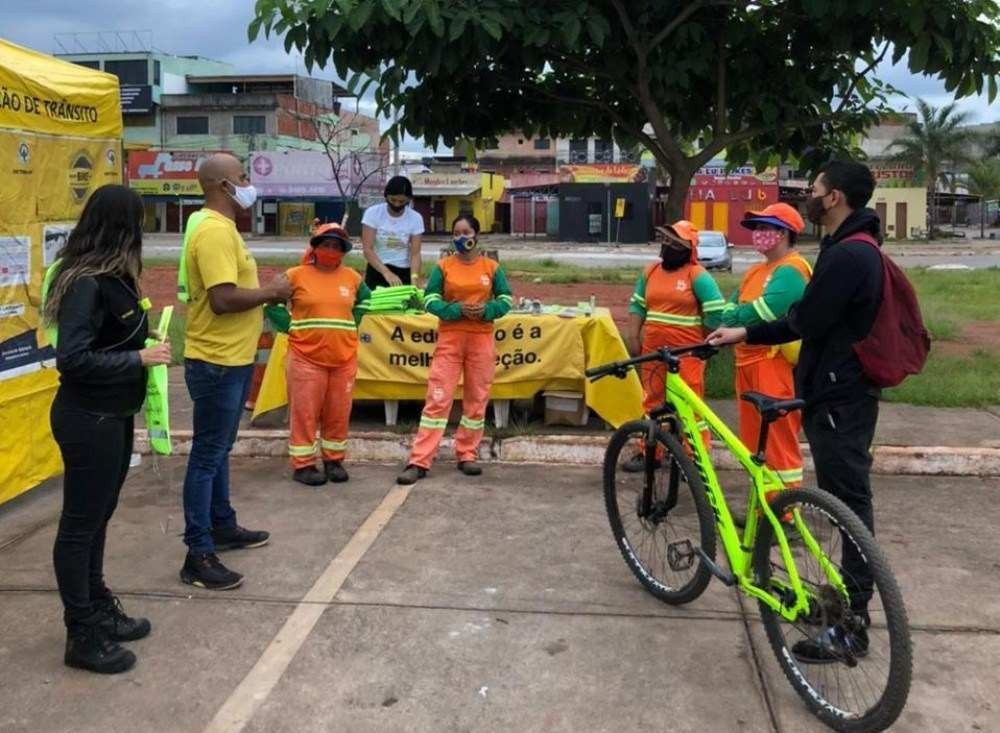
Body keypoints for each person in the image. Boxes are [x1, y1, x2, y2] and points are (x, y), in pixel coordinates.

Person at [708, 160, 884, 662]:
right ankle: (848, 607)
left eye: (815, 188)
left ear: (834, 198)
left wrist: (745, 330)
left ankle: (852, 623)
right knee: (846, 501)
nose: (809, 193)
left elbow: (804, 319)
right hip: (838, 390)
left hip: (839, 395)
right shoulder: (847, 246)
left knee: (849, 506)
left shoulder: (847, 255)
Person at [43, 185, 171, 674]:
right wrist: (138, 357)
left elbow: (111, 337)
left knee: (99, 517)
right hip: (87, 418)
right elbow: (71, 358)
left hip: (114, 415)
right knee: (80, 524)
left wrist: (142, 341)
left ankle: (97, 607)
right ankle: (81, 631)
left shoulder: (114, 277)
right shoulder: (85, 282)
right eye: (139, 222)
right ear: (123, 225)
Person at [178, 153, 293, 591]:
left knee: (219, 449)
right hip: (216, 360)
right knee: (207, 454)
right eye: (243, 177)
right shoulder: (212, 232)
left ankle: (222, 525)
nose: (249, 183)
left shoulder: (222, 229)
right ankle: (198, 553)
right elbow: (223, 299)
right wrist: (270, 292)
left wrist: (267, 293)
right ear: (223, 185)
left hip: (233, 357)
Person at [396, 215, 513, 485]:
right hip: (450, 339)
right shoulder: (444, 266)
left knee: (476, 399)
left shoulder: (491, 267)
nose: (461, 237)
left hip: (481, 339)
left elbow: (506, 299)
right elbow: (430, 299)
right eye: (456, 233)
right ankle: (419, 460)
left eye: (466, 231)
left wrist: (488, 310)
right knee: (438, 398)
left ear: (477, 234)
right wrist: (455, 310)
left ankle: (467, 454)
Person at [721, 203, 811, 488]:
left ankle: (784, 510)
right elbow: (730, 308)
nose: (758, 233)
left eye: (764, 228)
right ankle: (763, 507)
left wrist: (737, 317)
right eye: (757, 228)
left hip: (773, 364)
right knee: (754, 440)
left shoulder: (792, 270)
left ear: (783, 233)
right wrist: (736, 316)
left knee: (777, 439)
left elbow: (765, 311)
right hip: (747, 362)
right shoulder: (757, 271)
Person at [623, 220, 725, 470]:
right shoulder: (650, 272)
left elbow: (715, 311)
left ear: (686, 248)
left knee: (689, 406)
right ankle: (650, 453)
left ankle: (695, 459)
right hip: (653, 352)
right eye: (665, 241)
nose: (666, 246)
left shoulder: (697, 275)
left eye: (673, 242)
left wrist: (707, 342)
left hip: (687, 354)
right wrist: (634, 337)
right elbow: (638, 305)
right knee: (652, 402)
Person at [285, 223, 372, 486]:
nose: (331, 250)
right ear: (315, 247)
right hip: (305, 356)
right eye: (326, 245)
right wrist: (289, 326)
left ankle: (334, 460)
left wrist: (351, 323)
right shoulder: (294, 275)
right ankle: (304, 465)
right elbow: (272, 303)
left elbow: (365, 301)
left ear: (344, 250)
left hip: (343, 357)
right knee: (305, 412)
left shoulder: (353, 278)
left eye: (336, 246)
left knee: (338, 411)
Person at [361, 176, 425, 289]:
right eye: (393, 200)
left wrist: (414, 277)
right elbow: (367, 250)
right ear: (386, 196)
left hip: (403, 271)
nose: (396, 204)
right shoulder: (372, 213)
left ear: (408, 200)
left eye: (401, 201)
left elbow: (415, 254)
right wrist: (386, 273)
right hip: (377, 269)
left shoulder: (416, 218)